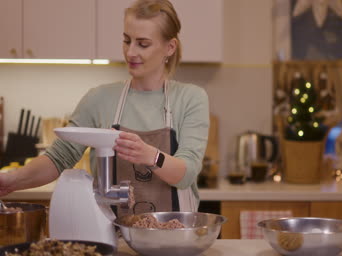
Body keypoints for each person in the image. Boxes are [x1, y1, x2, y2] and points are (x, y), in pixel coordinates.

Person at [0, 0, 209, 214]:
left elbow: (187, 174)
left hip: (173, 240)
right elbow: (58, 158)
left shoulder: (190, 99)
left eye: (143, 44)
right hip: (111, 238)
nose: (130, 52)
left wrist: (150, 155)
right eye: (127, 41)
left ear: (170, 47)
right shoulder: (99, 98)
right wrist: (11, 180)